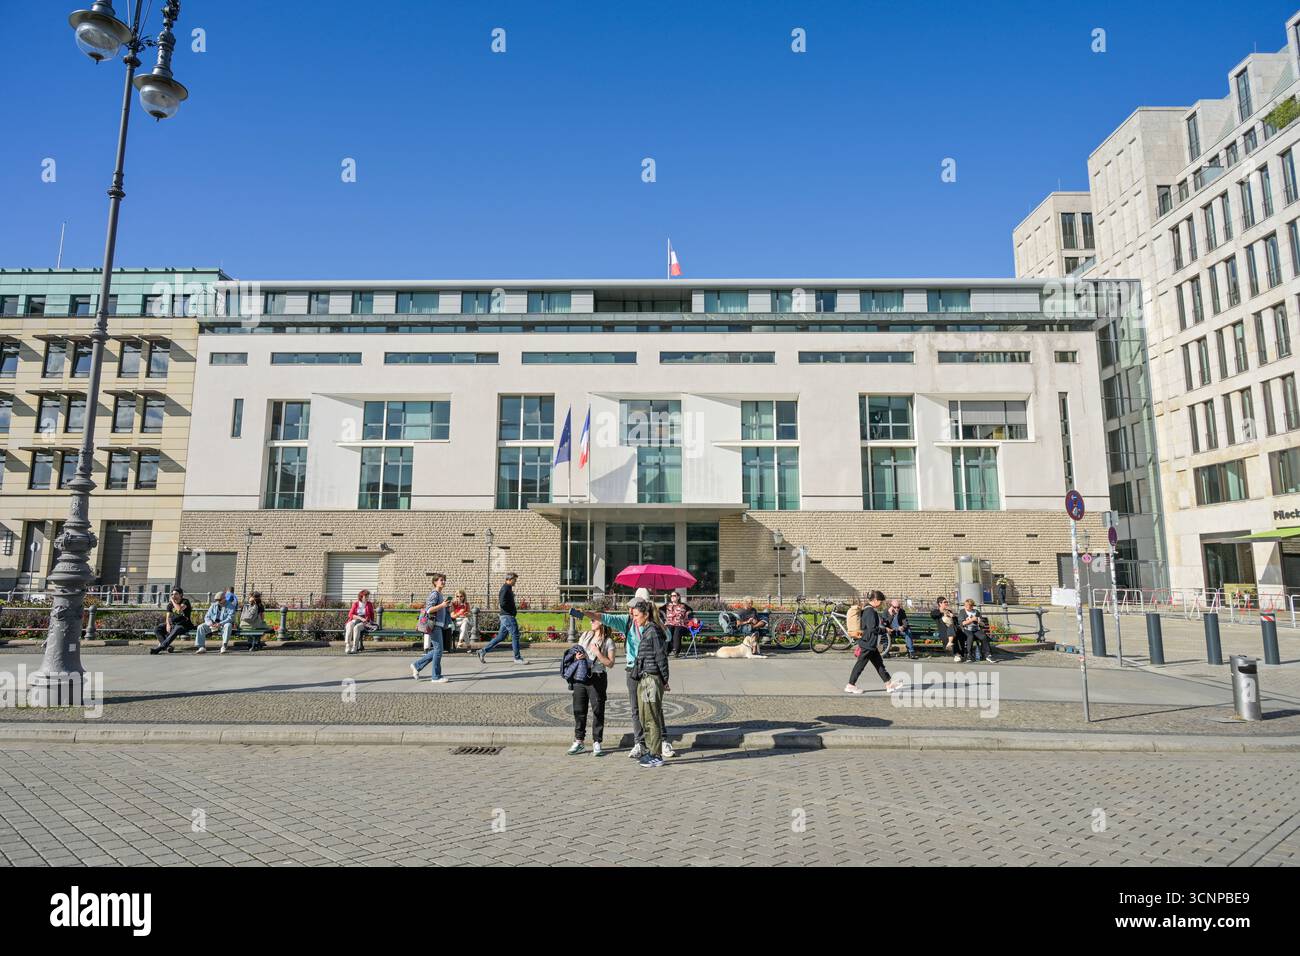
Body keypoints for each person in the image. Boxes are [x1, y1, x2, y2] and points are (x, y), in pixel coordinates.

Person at [584, 587, 674, 761]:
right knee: (636, 708)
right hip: (633, 669)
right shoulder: (628, 621)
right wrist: (587, 613)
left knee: (655, 707)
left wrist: (659, 623)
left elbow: (667, 640)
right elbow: (605, 618)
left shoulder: (654, 625)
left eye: (639, 607)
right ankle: (640, 742)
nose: (633, 612)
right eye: (633, 608)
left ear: (647, 607)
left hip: (650, 670)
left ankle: (662, 741)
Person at [567, 617, 616, 756]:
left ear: (601, 622)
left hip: (597, 678)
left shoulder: (608, 641)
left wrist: (598, 653)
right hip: (581, 676)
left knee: (597, 710)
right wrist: (576, 656)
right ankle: (579, 741)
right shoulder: (585, 635)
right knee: (578, 709)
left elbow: (610, 663)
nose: (591, 622)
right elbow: (576, 650)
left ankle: (597, 742)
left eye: (593, 620)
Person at [845, 590, 903, 695]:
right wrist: (885, 630)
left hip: (869, 642)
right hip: (868, 642)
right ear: (875, 600)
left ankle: (889, 684)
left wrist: (888, 620)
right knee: (860, 665)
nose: (881, 604)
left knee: (879, 664)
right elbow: (872, 628)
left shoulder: (868, 609)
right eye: (881, 601)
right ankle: (850, 685)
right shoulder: (870, 611)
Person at [479, 572, 526, 664]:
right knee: (515, 635)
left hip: (506, 615)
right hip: (508, 616)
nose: (515, 582)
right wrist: (511, 611)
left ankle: (483, 651)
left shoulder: (508, 588)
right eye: (514, 580)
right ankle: (517, 658)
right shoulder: (505, 589)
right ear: (509, 579)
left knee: (501, 636)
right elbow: (502, 603)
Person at [411, 577, 451, 682]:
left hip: (438, 625)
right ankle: (435, 676)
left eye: (444, 580)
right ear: (435, 582)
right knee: (438, 650)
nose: (443, 582)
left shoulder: (440, 594)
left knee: (438, 650)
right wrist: (442, 605)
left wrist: (445, 606)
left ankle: (417, 665)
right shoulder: (434, 594)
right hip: (434, 625)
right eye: (441, 580)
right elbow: (429, 610)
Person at [150, 588, 193, 654]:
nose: (174, 596)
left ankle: (160, 648)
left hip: (184, 625)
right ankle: (167, 647)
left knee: (177, 628)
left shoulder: (185, 601)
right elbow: (168, 616)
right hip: (174, 624)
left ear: (180, 594)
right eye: (172, 594)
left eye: (176, 594)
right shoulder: (170, 605)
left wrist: (173, 601)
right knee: (157, 628)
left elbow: (179, 610)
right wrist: (168, 624)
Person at [194, 591, 236, 655]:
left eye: (219, 600)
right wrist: (210, 623)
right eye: (216, 600)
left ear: (224, 598)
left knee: (228, 625)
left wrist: (220, 623)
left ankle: (224, 646)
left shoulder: (230, 605)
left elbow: (230, 618)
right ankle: (201, 647)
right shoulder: (213, 605)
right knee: (200, 627)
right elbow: (207, 616)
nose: (218, 601)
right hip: (213, 625)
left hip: (223, 625)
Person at [960, 598, 999, 663]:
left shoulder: (976, 612)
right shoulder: (962, 612)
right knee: (970, 637)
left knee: (983, 637)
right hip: (966, 630)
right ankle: (969, 655)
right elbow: (962, 623)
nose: (966, 607)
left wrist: (979, 621)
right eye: (965, 605)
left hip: (976, 629)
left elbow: (982, 624)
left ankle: (988, 655)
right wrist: (971, 620)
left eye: (968, 606)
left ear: (972, 606)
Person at [343, 588, 377, 655]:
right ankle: (347, 646)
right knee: (349, 625)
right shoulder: (355, 604)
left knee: (357, 628)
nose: (367, 598)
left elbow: (372, 614)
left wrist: (371, 622)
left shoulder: (369, 604)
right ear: (361, 597)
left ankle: (355, 647)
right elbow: (350, 614)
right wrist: (360, 618)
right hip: (355, 620)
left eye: (368, 596)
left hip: (364, 622)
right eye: (366, 596)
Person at [661, 590, 693, 658]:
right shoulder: (667, 605)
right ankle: (667, 650)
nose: (672, 597)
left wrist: (687, 616)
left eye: (674, 596)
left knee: (677, 631)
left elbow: (690, 611)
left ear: (678, 597)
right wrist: (663, 618)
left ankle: (676, 651)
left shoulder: (683, 605)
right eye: (671, 596)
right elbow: (659, 610)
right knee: (669, 630)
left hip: (680, 624)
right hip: (669, 623)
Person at [931, 596, 964, 661]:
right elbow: (933, 615)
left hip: (954, 631)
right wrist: (943, 612)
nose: (946, 603)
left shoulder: (949, 611)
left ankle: (959, 653)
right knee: (952, 633)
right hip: (944, 632)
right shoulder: (936, 612)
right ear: (940, 603)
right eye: (945, 602)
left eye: (947, 602)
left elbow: (956, 622)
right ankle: (957, 654)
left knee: (958, 632)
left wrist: (953, 616)